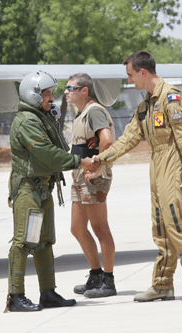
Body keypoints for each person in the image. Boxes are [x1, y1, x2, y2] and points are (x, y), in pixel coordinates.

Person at [92, 51, 182, 303]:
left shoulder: (171, 96)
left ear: (142, 72)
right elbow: (128, 138)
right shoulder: (145, 106)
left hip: (173, 161)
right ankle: (162, 285)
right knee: (160, 225)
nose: (129, 81)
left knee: (173, 220)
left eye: (130, 75)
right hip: (157, 163)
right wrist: (101, 159)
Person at [5, 71, 99, 312]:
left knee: (44, 241)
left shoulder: (41, 117)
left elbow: (59, 148)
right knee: (24, 242)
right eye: (47, 94)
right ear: (33, 95)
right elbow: (46, 153)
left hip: (43, 188)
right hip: (29, 189)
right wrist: (79, 162)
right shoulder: (27, 121)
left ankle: (48, 293)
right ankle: (15, 297)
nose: (52, 98)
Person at [64, 73, 117, 298]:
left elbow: (106, 139)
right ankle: (95, 275)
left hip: (93, 177)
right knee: (77, 228)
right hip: (80, 177)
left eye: (70, 88)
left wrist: (98, 167)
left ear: (84, 90)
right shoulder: (81, 113)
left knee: (99, 228)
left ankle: (108, 280)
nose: (66, 91)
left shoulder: (94, 111)